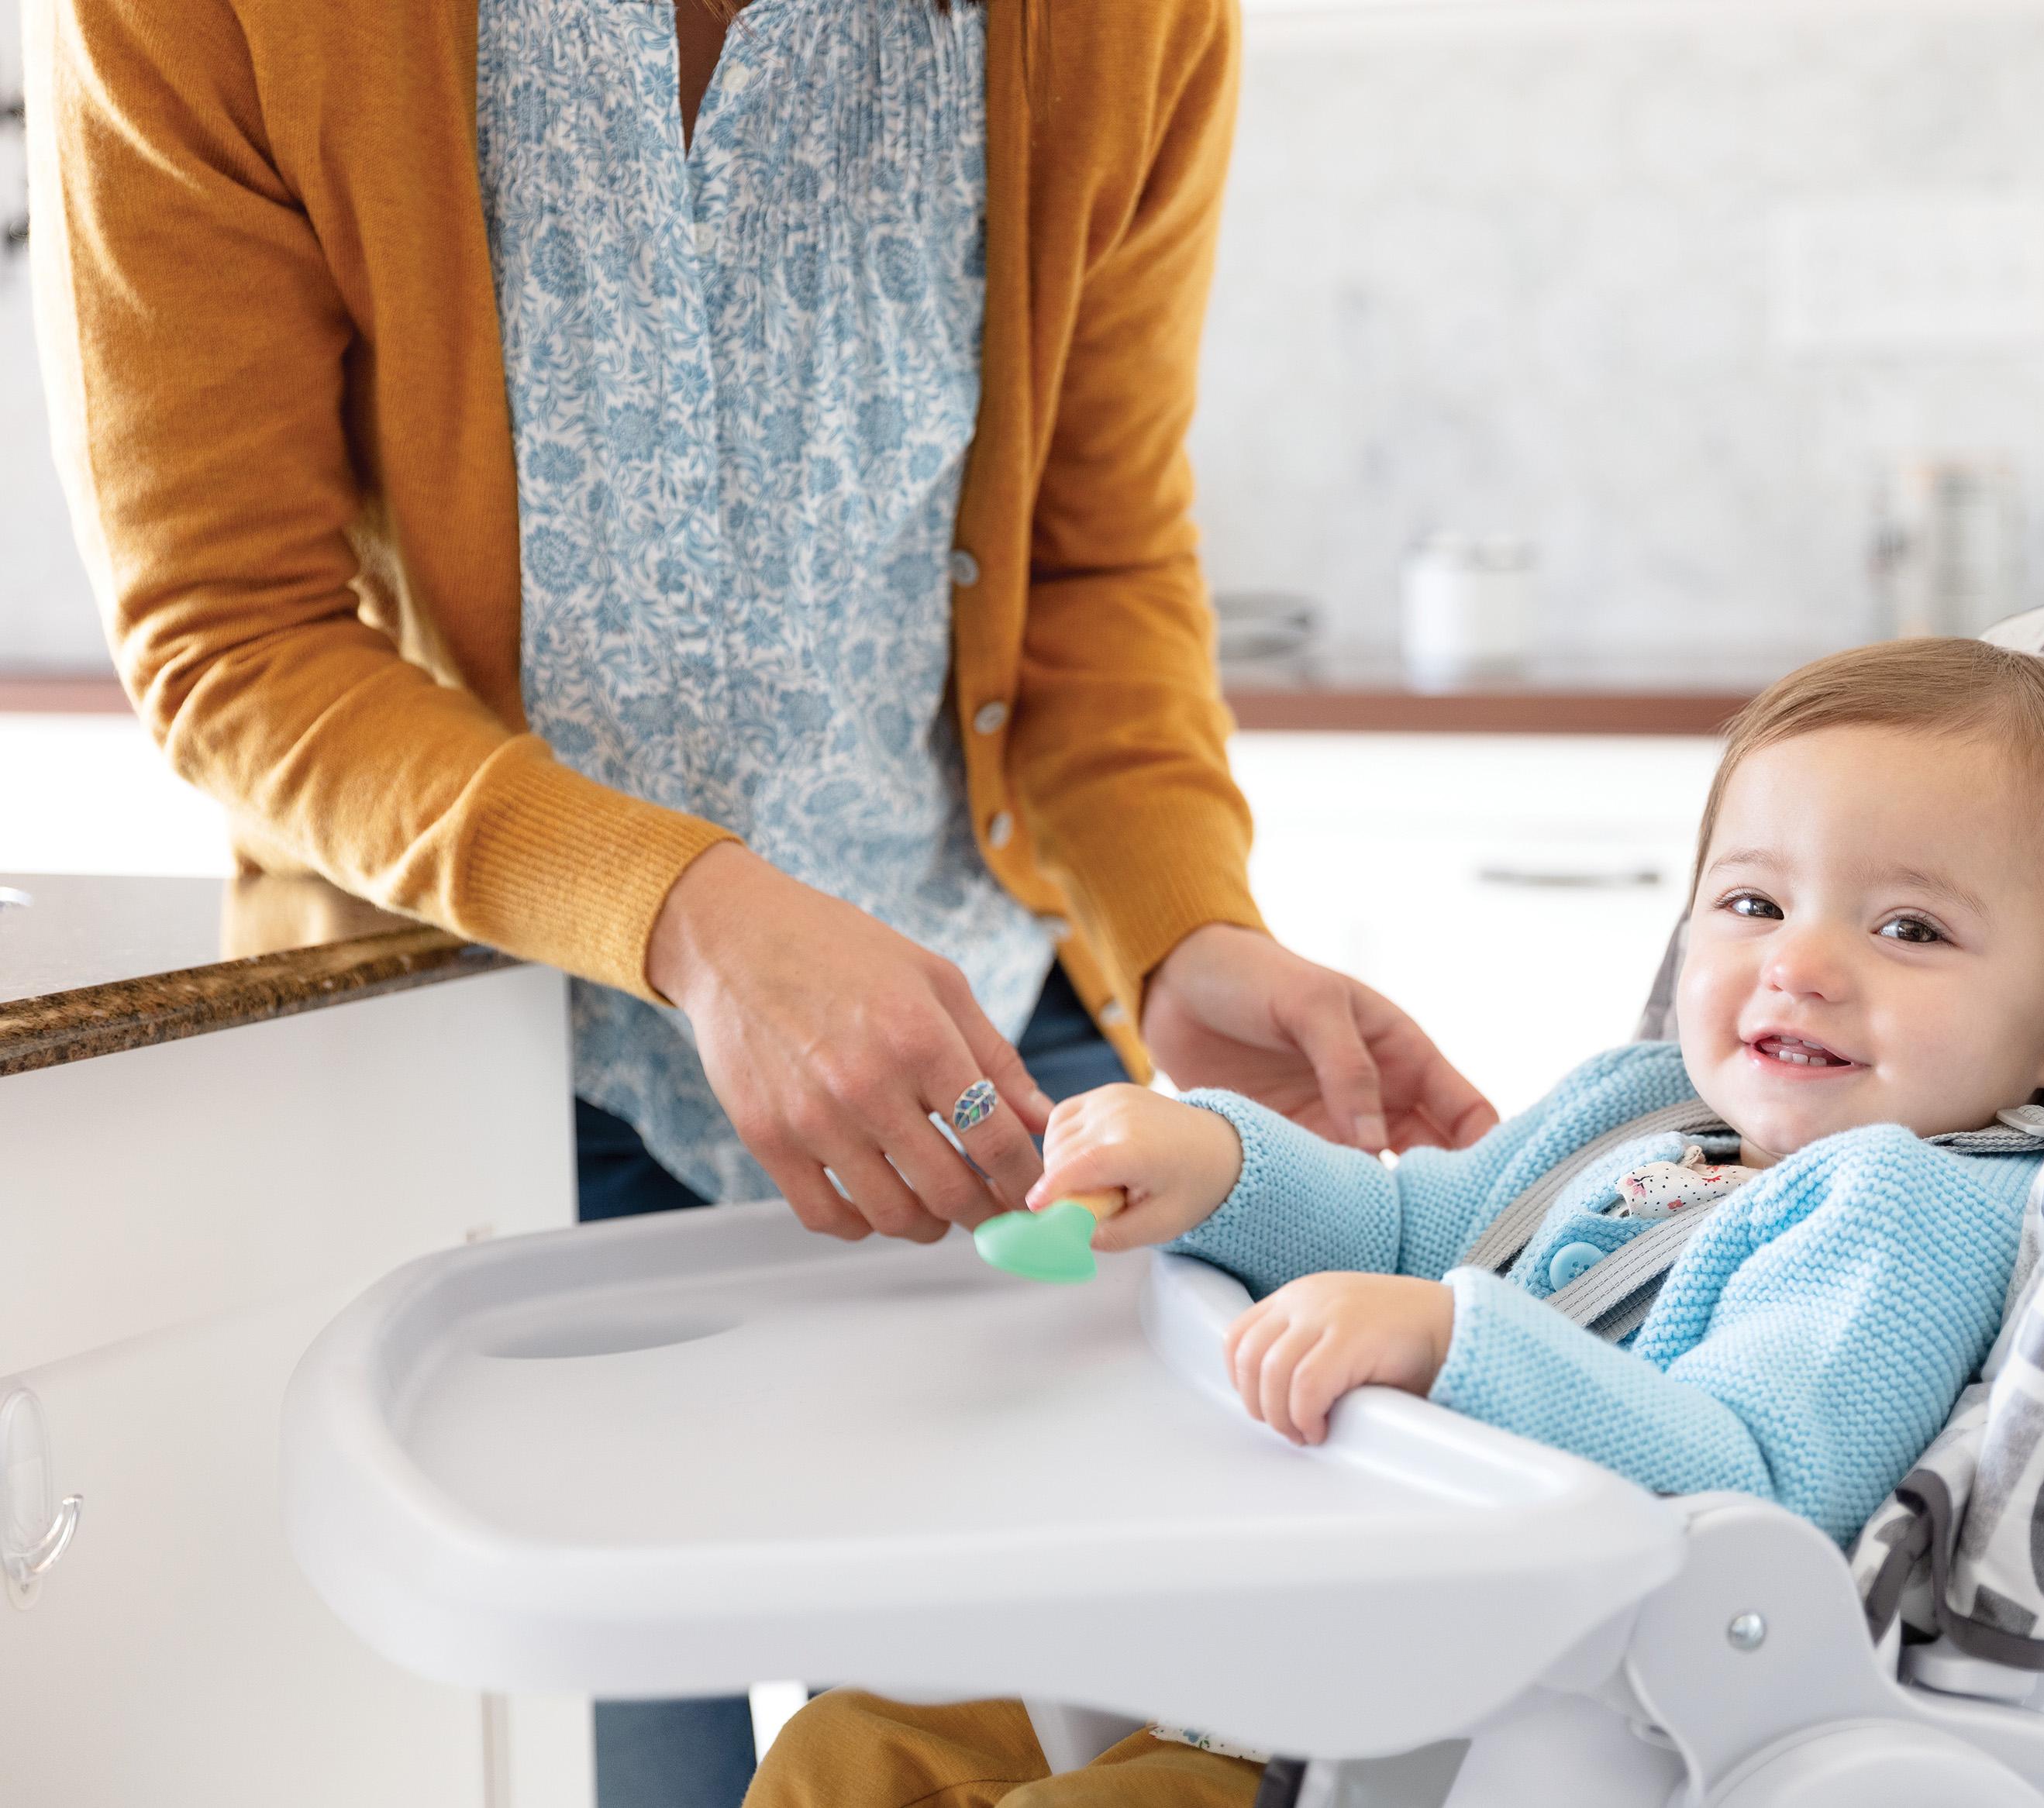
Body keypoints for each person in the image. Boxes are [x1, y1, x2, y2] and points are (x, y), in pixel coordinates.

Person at [29, 1, 1491, 1799]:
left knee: (1042, 1755)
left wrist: (1188, 932)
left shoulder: (1123, 24)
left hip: (988, 1083)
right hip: (499, 1075)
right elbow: (231, 636)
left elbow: (1092, 567)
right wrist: (693, 919)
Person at [741, 637, 2044, 1806]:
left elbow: (1759, 1485)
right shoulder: (1642, 1102)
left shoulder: (1909, 1209)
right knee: (849, 1744)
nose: (1798, 964)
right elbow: (1409, 1222)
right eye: (1752, 901)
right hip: (1273, 1625)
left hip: (1453, 1732)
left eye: (1909, 928)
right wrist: (1220, 1162)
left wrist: (1449, 1345)